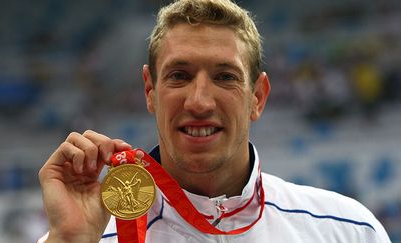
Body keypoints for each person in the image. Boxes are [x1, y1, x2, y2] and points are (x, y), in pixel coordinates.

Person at [38, 0, 391, 242]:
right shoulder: (91, 236)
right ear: (150, 90)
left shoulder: (345, 230)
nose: (200, 101)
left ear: (258, 97)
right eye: (179, 75)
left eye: (225, 77)